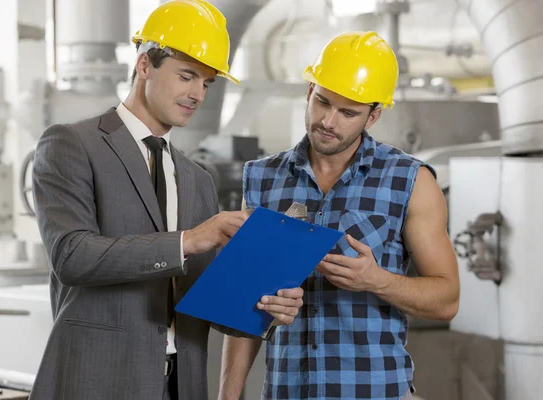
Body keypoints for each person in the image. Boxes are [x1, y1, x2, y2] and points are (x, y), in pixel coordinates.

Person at [29, 1, 303, 399]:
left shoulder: (197, 179)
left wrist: (268, 306)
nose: (197, 94)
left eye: (206, 83)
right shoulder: (72, 144)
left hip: (182, 384)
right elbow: (72, 256)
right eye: (187, 76)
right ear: (144, 65)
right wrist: (188, 240)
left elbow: (206, 300)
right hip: (100, 382)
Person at [218, 31, 460, 400]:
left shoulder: (410, 180)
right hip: (286, 391)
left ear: (373, 115)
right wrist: (228, 397)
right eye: (322, 102)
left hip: (376, 392)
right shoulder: (262, 178)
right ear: (309, 90)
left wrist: (378, 280)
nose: (329, 121)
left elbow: (447, 300)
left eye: (348, 112)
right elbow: (245, 306)